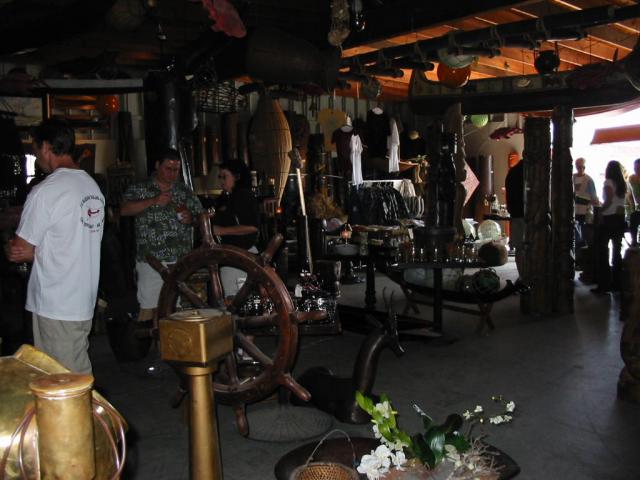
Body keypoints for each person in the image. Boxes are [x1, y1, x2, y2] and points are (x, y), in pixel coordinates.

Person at [7, 119, 105, 374]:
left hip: (56, 301)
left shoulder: (46, 191)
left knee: (64, 380)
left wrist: (19, 248)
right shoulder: (91, 186)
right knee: (72, 369)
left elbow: (19, 250)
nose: (37, 156)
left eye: (35, 148)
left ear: (46, 147)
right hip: (82, 298)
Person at [121, 149, 203, 322]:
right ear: (157, 165)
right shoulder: (140, 188)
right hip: (150, 259)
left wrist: (192, 218)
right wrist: (153, 201)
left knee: (175, 307)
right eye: (168, 168)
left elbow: (200, 217)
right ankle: (147, 336)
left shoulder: (184, 190)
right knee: (149, 306)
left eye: (176, 170)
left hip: (179, 259)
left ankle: (174, 338)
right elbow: (124, 209)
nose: (172, 173)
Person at [212, 160, 259, 297]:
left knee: (237, 300)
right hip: (231, 256)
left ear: (237, 177)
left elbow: (252, 227)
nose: (221, 181)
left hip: (242, 255)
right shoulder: (227, 198)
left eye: (224, 176)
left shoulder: (244, 196)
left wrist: (221, 231)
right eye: (220, 177)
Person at [593, 160, 627, 294]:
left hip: (608, 218)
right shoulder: (623, 184)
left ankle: (604, 284)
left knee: (603, 251)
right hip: (620, 218)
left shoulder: (608, 182)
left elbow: (608, 200)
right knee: (617, 251)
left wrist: (600, 211)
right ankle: (617, 283)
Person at [573, 157, 599, 247]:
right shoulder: (572, 177)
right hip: (574, 210)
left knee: (583, 233)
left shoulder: (589, 180)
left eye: (582, 167)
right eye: (578, 167)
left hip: (584, 212)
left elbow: (594, 197)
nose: (580, 169)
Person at [504, 158, 524, 278]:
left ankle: (522, 276)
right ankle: (528, 277)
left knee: (519, 248)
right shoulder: (530, 172)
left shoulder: (512, 172)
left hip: (516, 214)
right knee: (529, 247)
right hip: (528, 215)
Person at [628, 158, 640, 245]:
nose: (636, 170)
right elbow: (630, 195)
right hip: (636, 208)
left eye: (638, 168)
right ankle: (634, 241)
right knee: (633, 218)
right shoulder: (632, 178)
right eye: (635, 168)